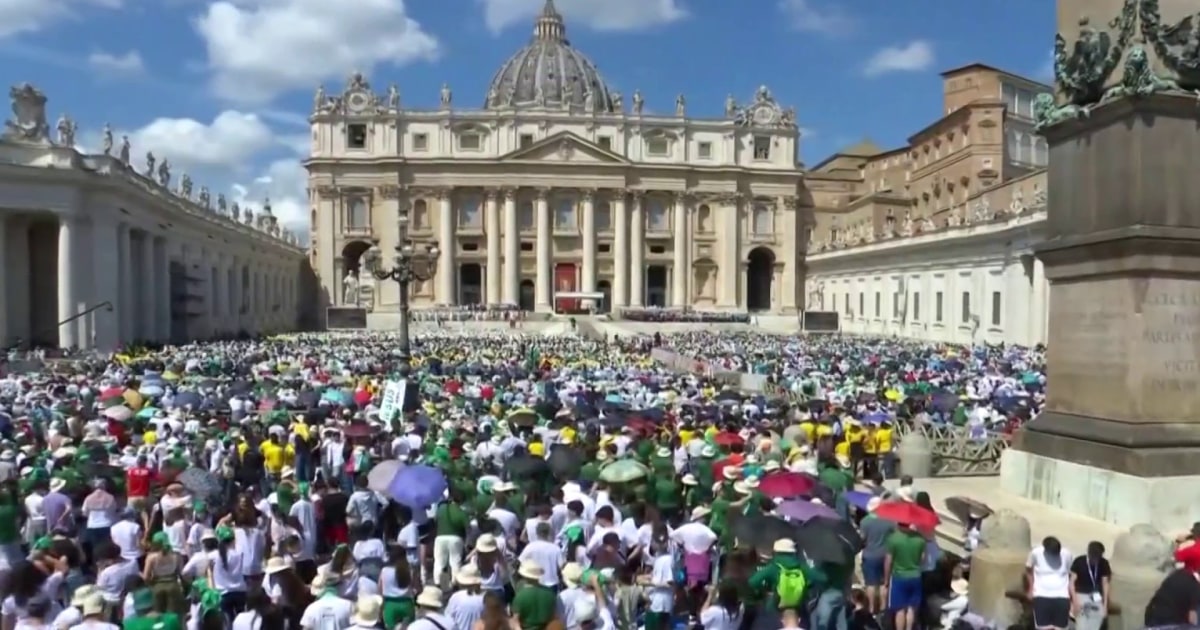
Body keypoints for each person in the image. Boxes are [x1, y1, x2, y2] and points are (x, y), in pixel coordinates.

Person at [883, 520, 925, 630]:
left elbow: (888, 561)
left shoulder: (893, 539)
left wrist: (886, 580)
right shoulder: (920, 538)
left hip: (899, 577)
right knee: (911, 608)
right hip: (915, 576)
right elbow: (922, 559)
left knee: (899, 609)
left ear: (898, 523)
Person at [1025, 536, 1072, 630]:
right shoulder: (1036, 553)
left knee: (1061, 627)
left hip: (1062, 596)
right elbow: (1028, 569)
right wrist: (1031, 588)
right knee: (1043, 627)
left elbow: (1070, 574)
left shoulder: (1066, 554)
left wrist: (1072, 595)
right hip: (1041, 595)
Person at [1068, 541, 1111, 630]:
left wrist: (1105, 605)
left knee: (1096, 622)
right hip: (1080, 594)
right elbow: (1071, 582)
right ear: (1088, 553)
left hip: (1096, 596)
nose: (1096, 560)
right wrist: (1074, 601)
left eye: (1098, 557)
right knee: (1081, 624)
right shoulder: (1079, 561)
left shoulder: (1104, 563)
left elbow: (1105, 583)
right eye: (1094, 557)